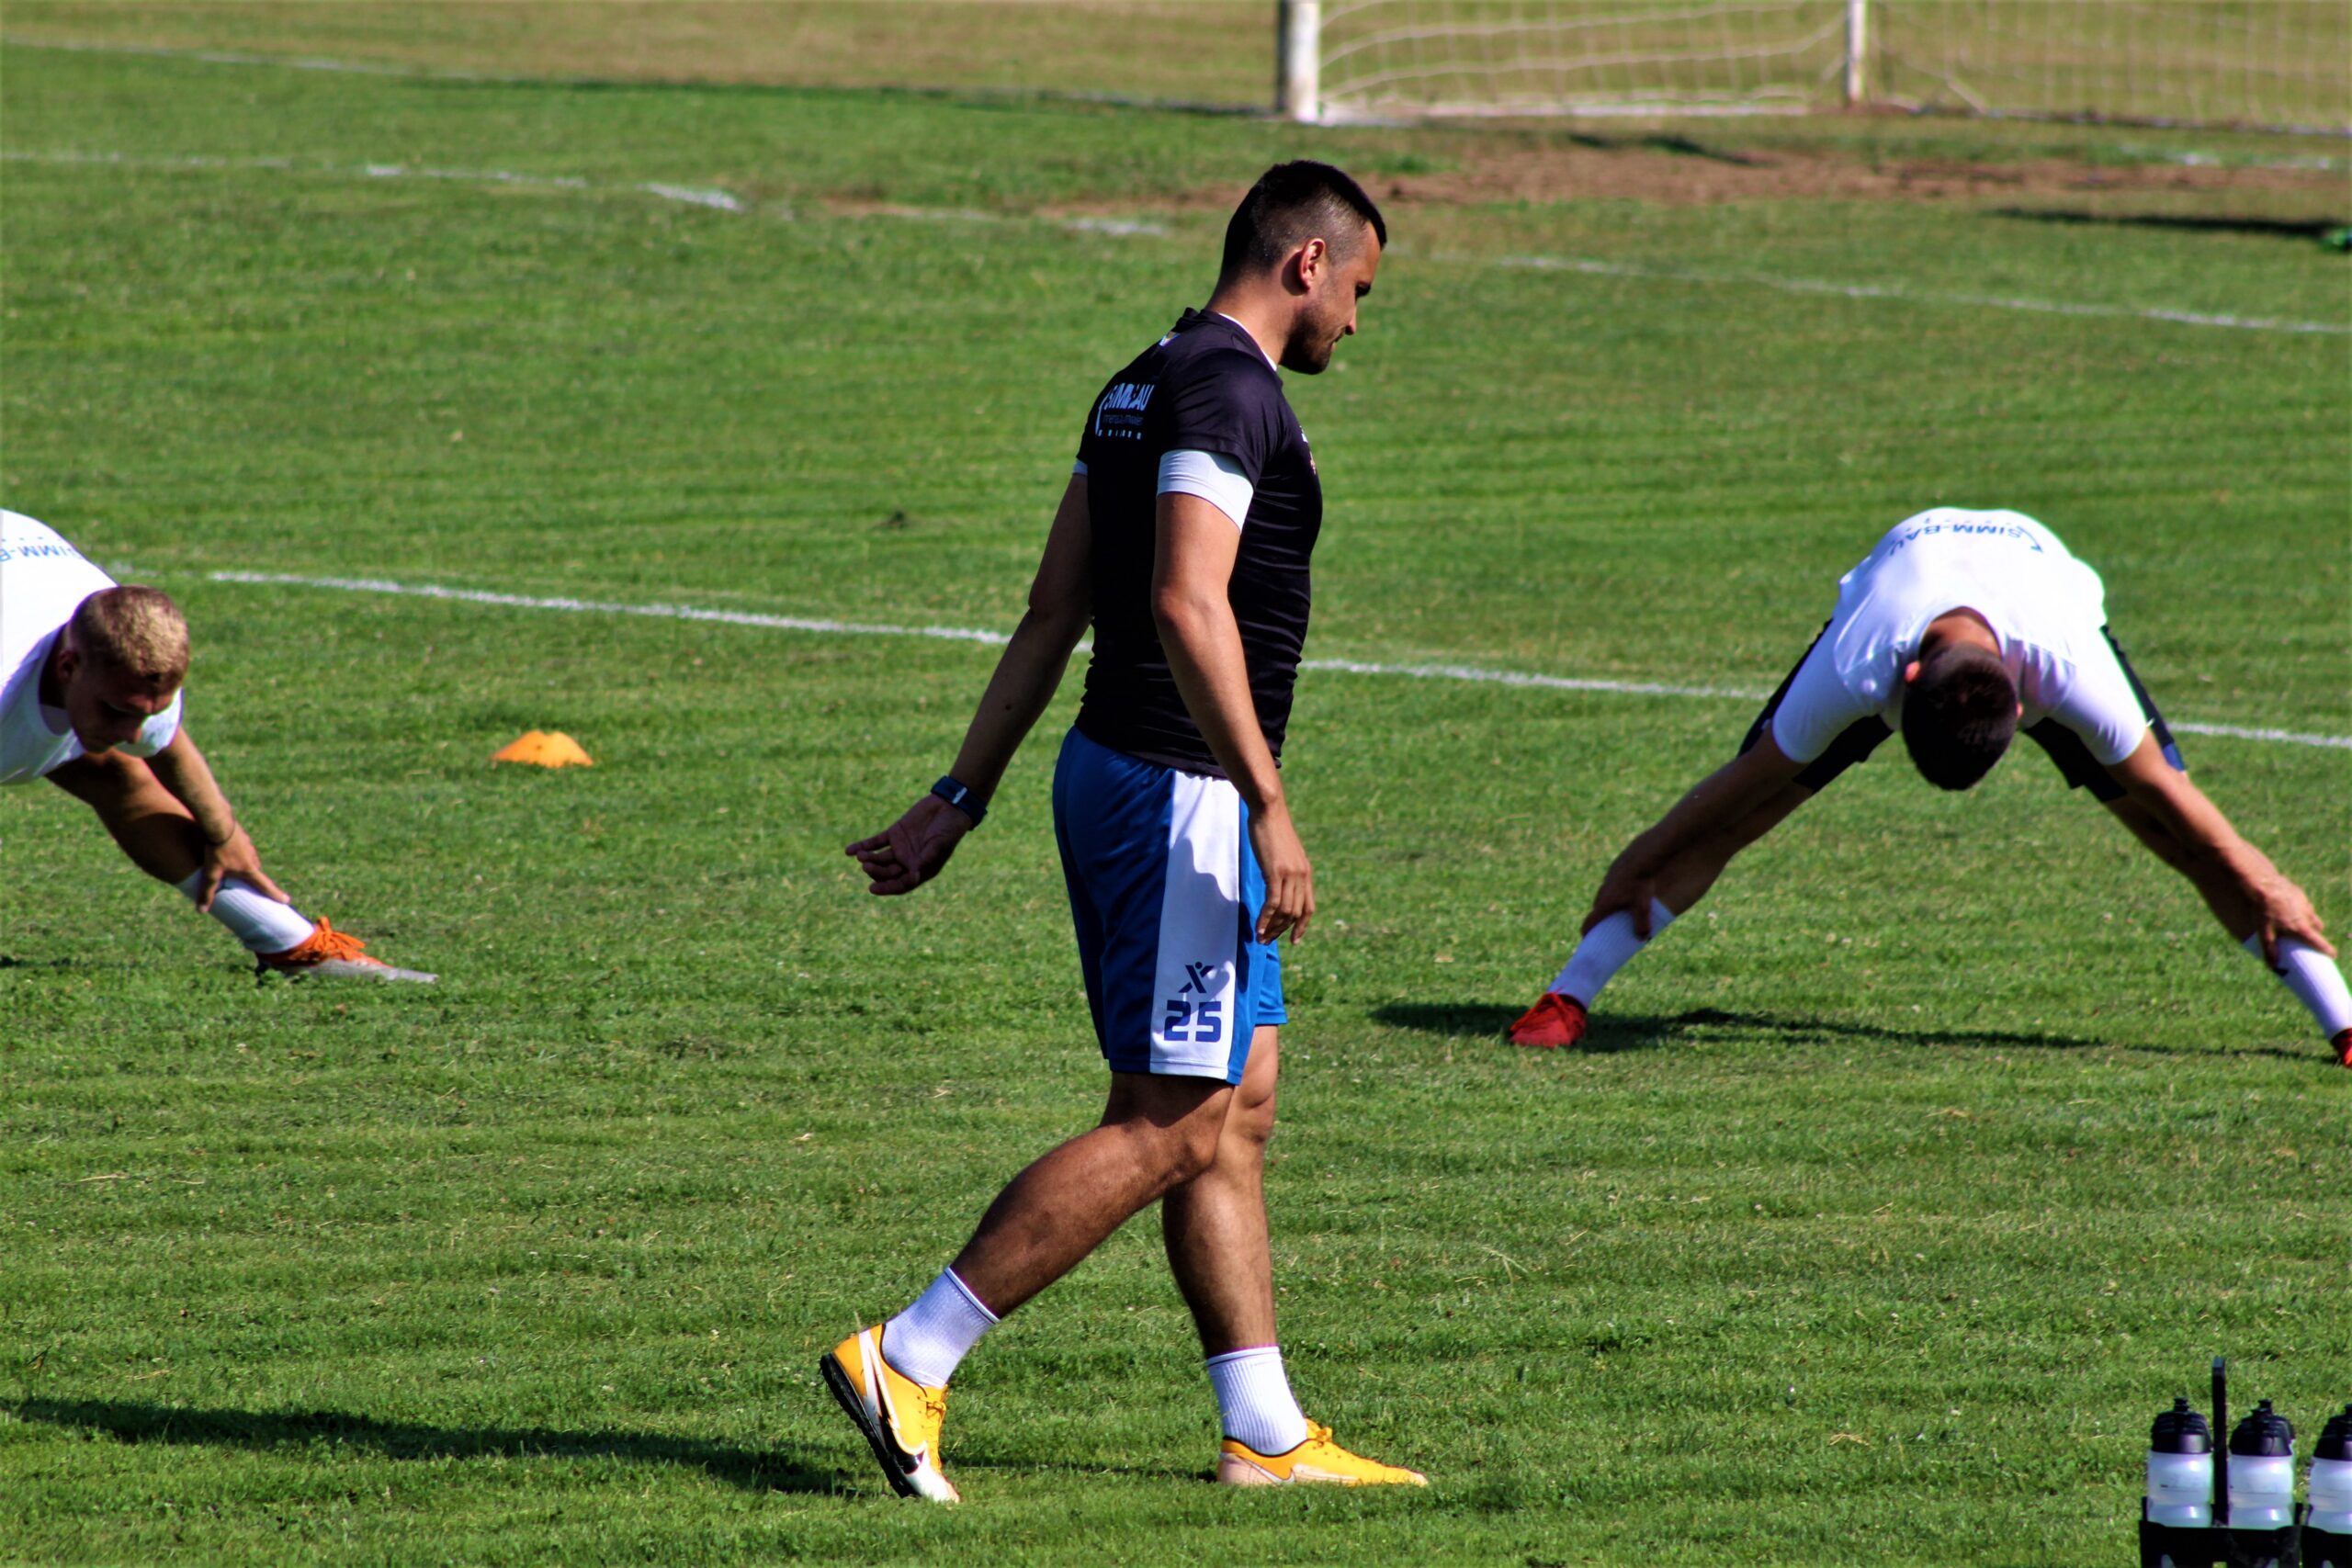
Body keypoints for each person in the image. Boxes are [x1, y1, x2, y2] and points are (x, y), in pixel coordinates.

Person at [826, 163, 1422, 1503]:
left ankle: (1263, 1429)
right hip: (1179, 791)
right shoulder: (1228, 390)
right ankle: (909, 1355)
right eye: (1359, 291)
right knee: (1169, 1119)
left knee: (1235, 1106)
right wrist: (1267, 802)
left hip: (1131, 775)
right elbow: (1181, 600)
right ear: (1306, 263)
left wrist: (960, 795)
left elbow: (1054, 607)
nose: (1355, 323)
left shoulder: (1141, 381)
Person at [1508, 506, 2348, 1066]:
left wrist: (2267, 878)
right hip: (1906, 568)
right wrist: (1640, 857)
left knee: (2181, 838)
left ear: (2025, 708)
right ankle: (1567, 997)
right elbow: (1739, 787)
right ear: (1901, 685)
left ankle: (2344, 1023)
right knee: (1739, 820)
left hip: (2032, 570)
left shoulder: (2070, 668)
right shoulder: (1857, 665)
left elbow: (2179, 803)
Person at [1, 510, 433, 982]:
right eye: (118, 711)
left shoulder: (132, 663)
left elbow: (167, 748)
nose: (134, 732)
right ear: (67, 668)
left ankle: (295, 947)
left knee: (117, 771)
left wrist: (223, 834)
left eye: (147, 713)